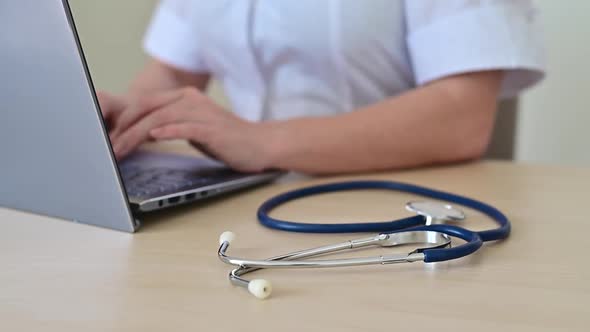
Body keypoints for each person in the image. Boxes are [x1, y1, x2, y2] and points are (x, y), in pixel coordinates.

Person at [99, 0, 544, 175]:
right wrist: (124, 118)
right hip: (243, 204)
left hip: (396, 210)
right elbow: (175, 72)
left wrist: (262, 142)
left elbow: (462, 115)